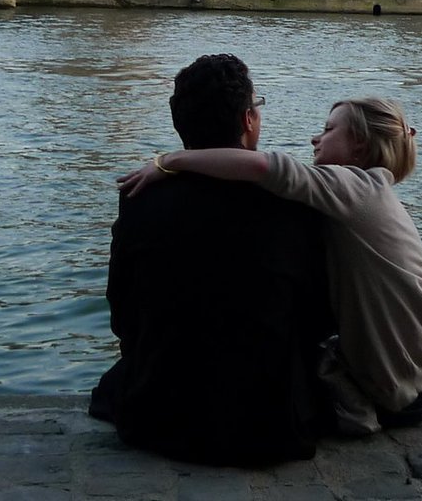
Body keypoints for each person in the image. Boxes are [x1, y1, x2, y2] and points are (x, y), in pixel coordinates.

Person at [118, 96, 422, 433]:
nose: (316, 137)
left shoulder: (352, 186)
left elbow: (263, 166)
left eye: (329, 130)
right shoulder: (371, 191)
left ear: (358, 146)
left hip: (412, 387)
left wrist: (170, 161)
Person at [89, 54, 334, 466]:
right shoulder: (294, 202)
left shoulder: (138, 198)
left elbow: (123, 314)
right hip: (269, 424)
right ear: (247, 121)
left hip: (157, 416)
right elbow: (318, 317)